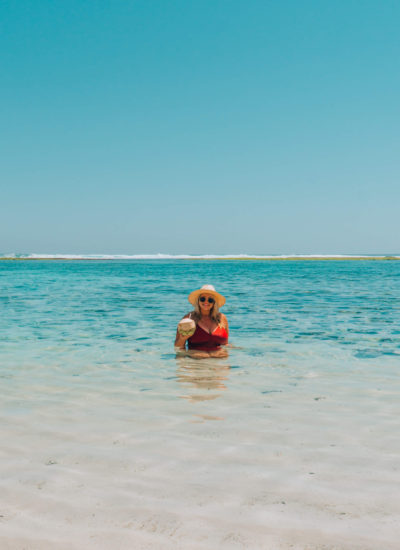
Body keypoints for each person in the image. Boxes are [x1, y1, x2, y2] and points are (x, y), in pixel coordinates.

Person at [175, 285, 229, 358]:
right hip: (197, 364)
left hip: (220, 364)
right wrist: (183, 338)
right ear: (198, 301)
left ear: (214, 303)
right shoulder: (189, 318)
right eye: (203, 299)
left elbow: (225, 344)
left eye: (210, 300)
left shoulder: (222, 318)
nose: (206, 302)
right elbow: (178, 346)